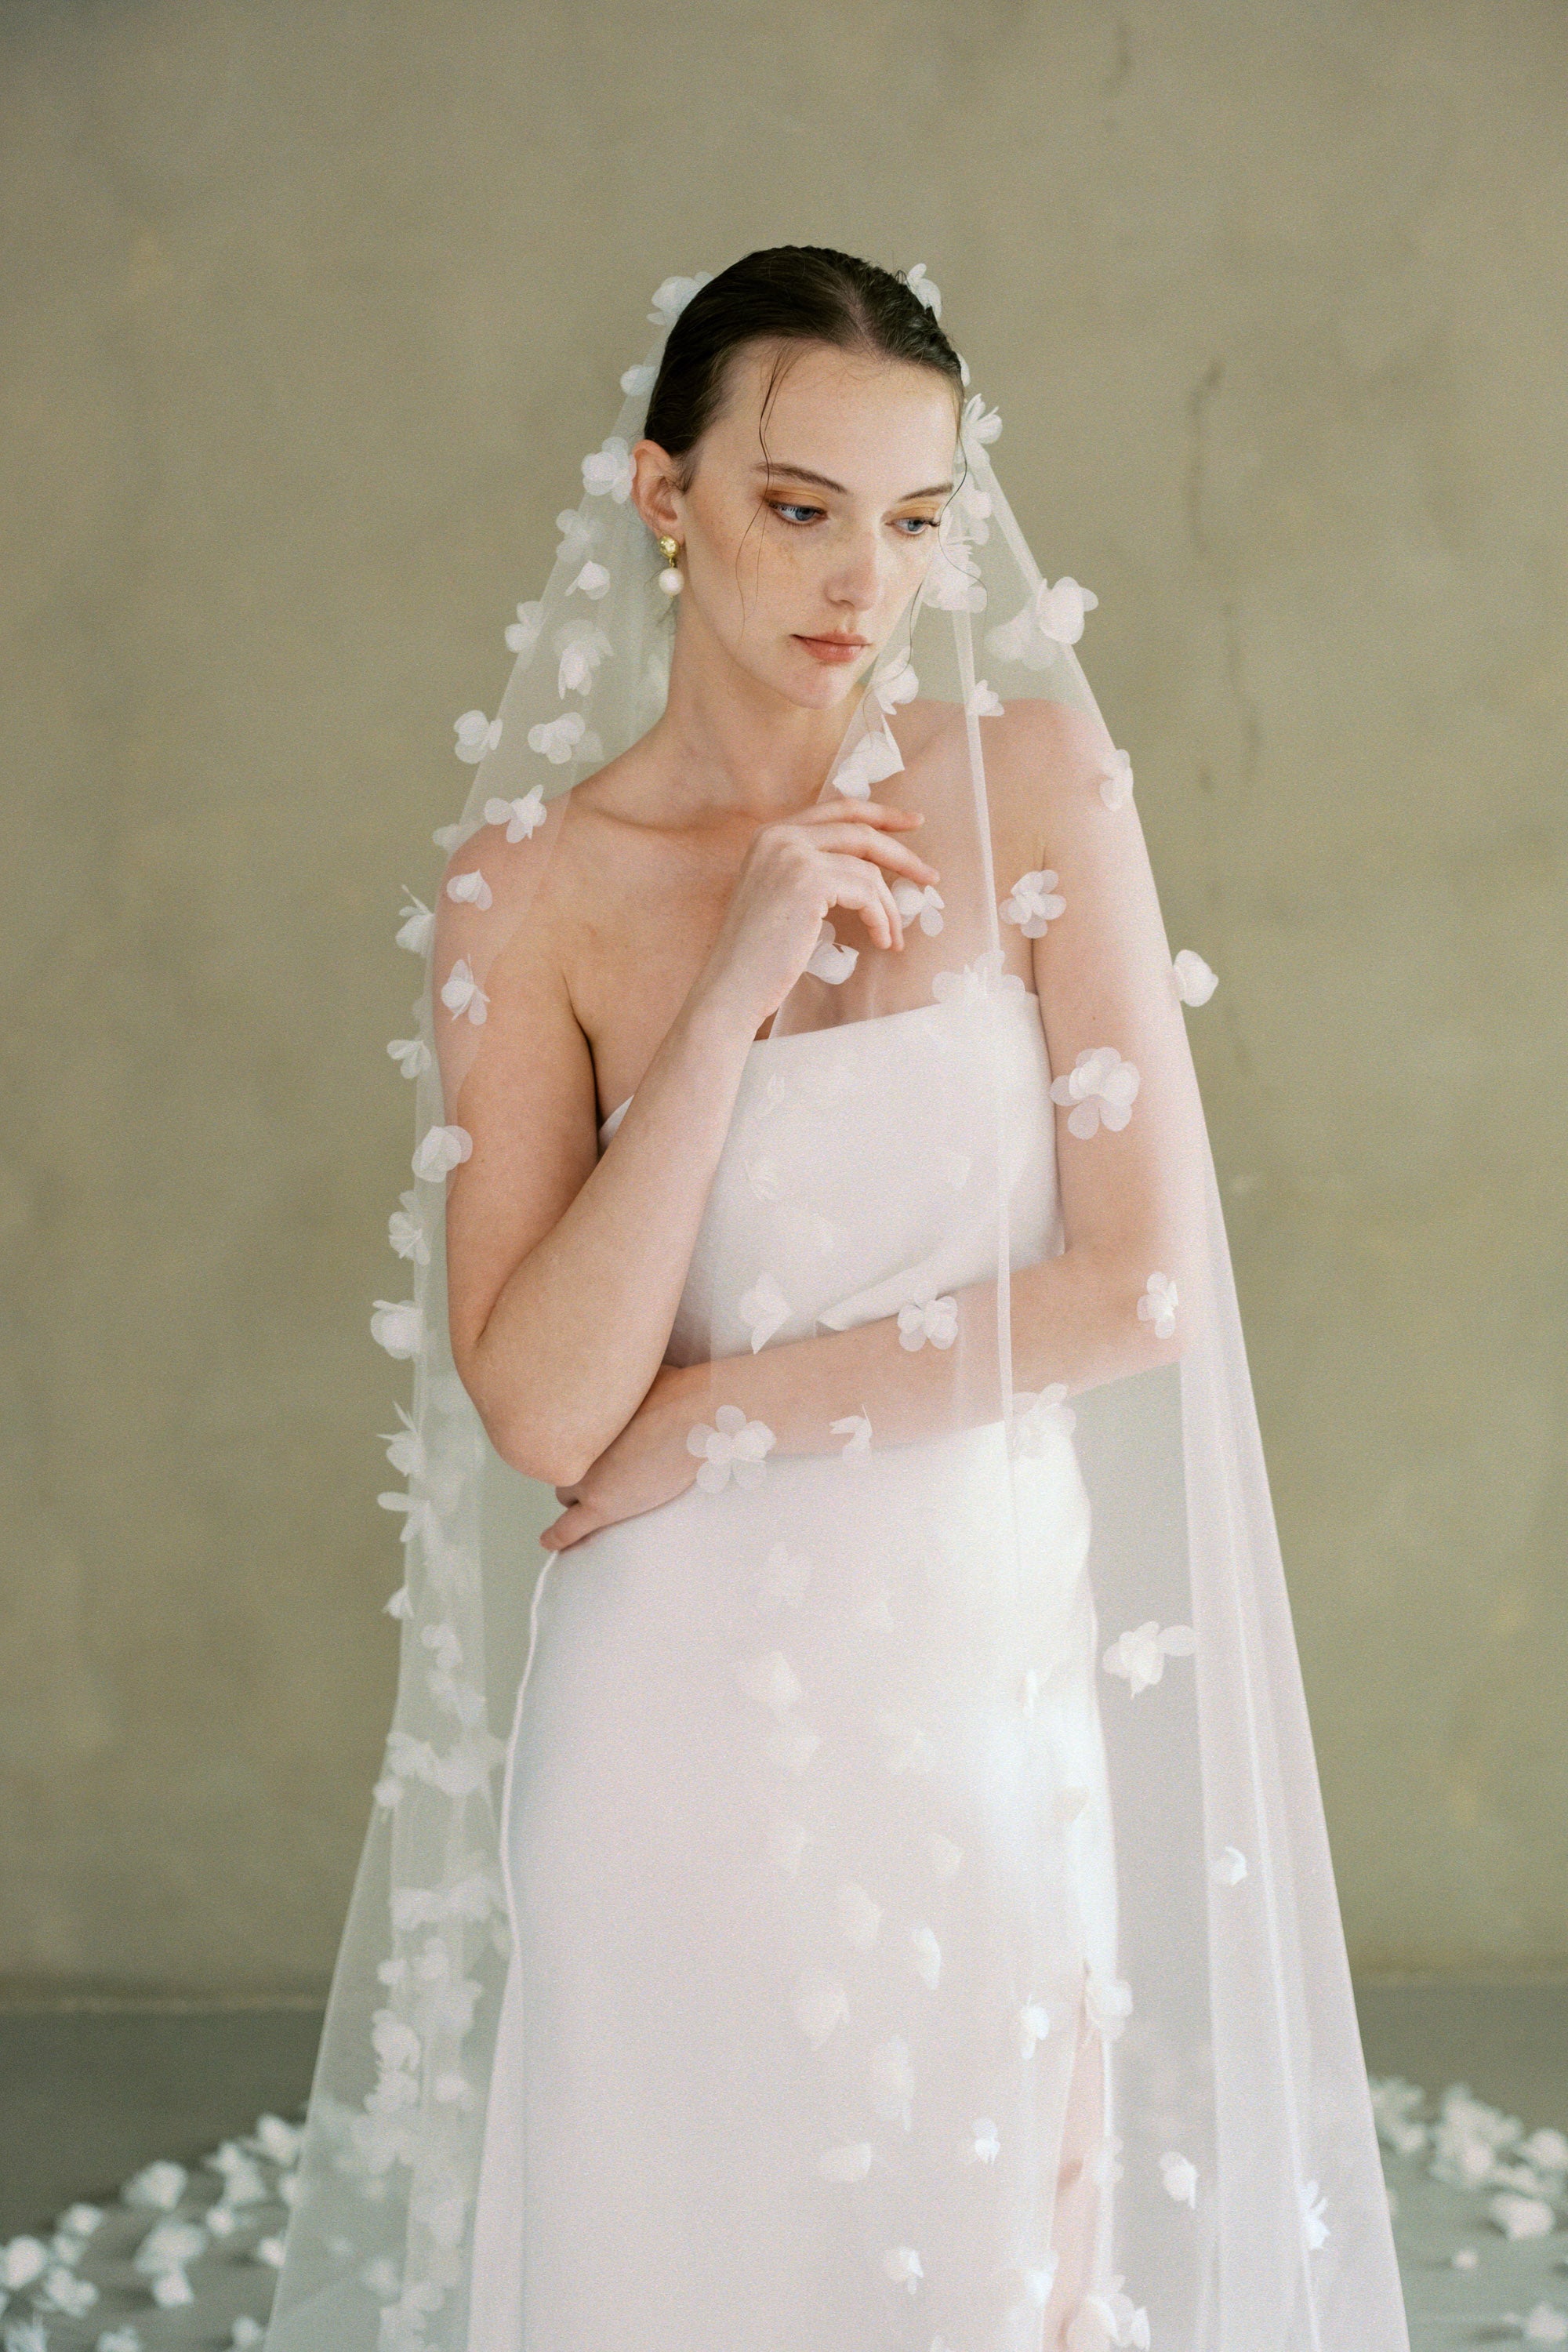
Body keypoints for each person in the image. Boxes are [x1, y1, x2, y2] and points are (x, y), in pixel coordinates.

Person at [263, 249, 1410, 2352]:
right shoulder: (534, 888)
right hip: (665, 1726)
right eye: (801, 506)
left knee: (989, 2263)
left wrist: (725, 1414)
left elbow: (1143, 1281)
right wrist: (732, 989)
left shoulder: (1039, 787)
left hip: (967, 1682)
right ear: (662, 495)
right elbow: (539, 1403)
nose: (860, 581)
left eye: (913, 519)